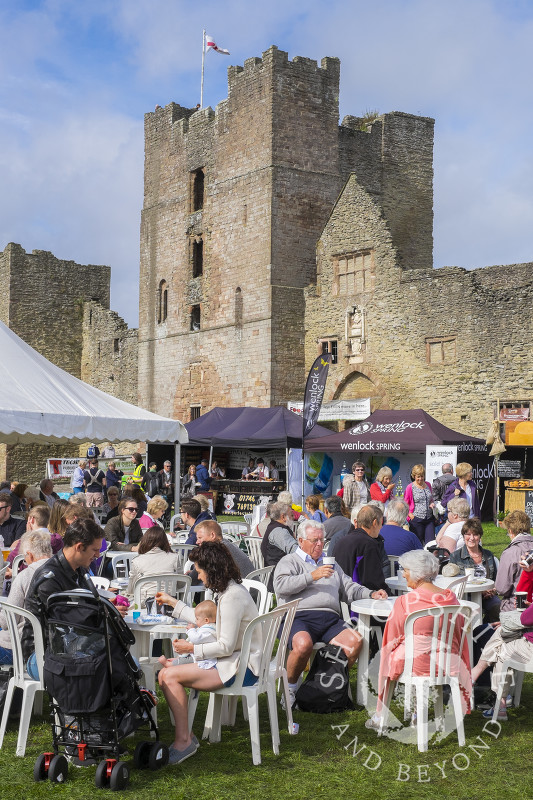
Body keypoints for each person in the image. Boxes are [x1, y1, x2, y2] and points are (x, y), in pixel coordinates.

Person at [157, 541, 262, 765]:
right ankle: (186, 737)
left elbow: (225, 645)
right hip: (234, 661)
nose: (198, 574)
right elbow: (205, 618)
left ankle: (184, 741)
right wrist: (173, 603)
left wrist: (192, 648)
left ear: (212, 569)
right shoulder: (229, 590)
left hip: (240, 668)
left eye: (199, 569)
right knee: (165, 674)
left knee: (168, 675)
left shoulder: (231, 597)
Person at [273, 519, 388, 708]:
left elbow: (348, 587)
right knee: (303, 645)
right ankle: (290, 690)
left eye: (321, 539)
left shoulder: (330, 564)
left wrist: (371, 593)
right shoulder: (290, 561)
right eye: (314, 540)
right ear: (300, 540)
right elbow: (281, 586)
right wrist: (312, 576)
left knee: (355, 641)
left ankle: (323, 688)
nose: (319, 544)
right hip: (297, 616)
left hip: (329, 618)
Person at [366, 549, 471, 730]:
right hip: (447, 661)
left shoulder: (405, 601)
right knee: (411, 650)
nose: (403, 574)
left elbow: (391, 638)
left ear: (417, 574)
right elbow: (457, 631)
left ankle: (380, 716)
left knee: (391, 654)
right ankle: (416, 713)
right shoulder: (450, 597)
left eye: (405, 570)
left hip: (418, 664)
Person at [21, 518, 106, 675]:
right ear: (79, 547)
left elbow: (89, 606)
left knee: (117, 658)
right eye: (95, 550)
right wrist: (104, 613)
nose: (98, 554)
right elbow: (67, 621)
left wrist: (108, 607)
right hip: (41, 654)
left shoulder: (79, 570)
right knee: (106, 666)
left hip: (68, 647)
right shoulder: (49, 578)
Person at [0, 529, 53, 665]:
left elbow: (7, 621)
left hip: (21, 648)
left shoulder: (25, 576)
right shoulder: (62, 572)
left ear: (29, 555)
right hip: (53, 646)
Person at [448, 517, 500, 622]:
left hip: (487, 596)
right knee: (470, 612)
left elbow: (496, 580)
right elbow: (451, 584)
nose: (471, 538)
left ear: (480, 537)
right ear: (463, 536)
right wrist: (481, 591)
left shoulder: (488, 555)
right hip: (465, 596)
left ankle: (486, 631)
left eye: (475, 534)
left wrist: (492, 591)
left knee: (497, 606)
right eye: (468, 534)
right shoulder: (455, 556)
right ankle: (473, 634)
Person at [335, 504, 389, 592]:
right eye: (381, 523)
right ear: (375, 523)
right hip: (360, 597)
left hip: (341, 595)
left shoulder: (341, 541)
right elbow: (373, 581)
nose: (381, 527)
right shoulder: (368, 544)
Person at [126, 527, 180, 606]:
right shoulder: (175, 557)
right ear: (165, 541)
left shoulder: (137, 561)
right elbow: (181, 584)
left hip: (144, 604)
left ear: (145, 541)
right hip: (168, 603)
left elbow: (131, 590)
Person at [159, 600, 218, 670]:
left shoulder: (208, 631)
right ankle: (176, 661)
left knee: (185, 661)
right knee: (183, 659)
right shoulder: (208, 629)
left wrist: (191, 630)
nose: (195, 621)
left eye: (197, 619)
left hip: (202, 659)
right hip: (198, 655)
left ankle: (168, 664)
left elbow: (195, 639)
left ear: (206, 620)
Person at [494, 510, 533, 612]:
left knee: (482, 627)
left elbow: (502, 588)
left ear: (510, 531)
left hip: (517, 607)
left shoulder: (510, 553)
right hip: (530, 606)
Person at [191, 520, 255, 580]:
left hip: (244, 589)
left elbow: (192, 580)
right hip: (252, 587)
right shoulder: (226, 544)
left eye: (200, 538)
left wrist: (192, 574)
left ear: (212, 535)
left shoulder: (216, 550)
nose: (197, 542)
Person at [260, 501, 298, 590]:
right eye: (291, 515)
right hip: (279, 578)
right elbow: (296, 551)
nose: (294, 517)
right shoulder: (279, 531)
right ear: (283, 517)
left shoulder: (274, 527)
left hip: (277, 573)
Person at [404, 464, 435, 545]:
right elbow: (405, 503)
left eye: (422, 476)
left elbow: (431, 499)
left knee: (431, 543)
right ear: (414, 476)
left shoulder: (428, 484)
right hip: (416, 519)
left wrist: (432, 504)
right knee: (418, 544)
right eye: (418, 476)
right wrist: (410, 515)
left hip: (429, 518)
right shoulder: (410, 487)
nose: (420, 478)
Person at [432, 462, 455, 527]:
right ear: (452, 470)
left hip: (441, 514)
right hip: (455, 512)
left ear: (442, 471)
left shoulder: (436, 482)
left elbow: (435, 499)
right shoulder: (457, 481)